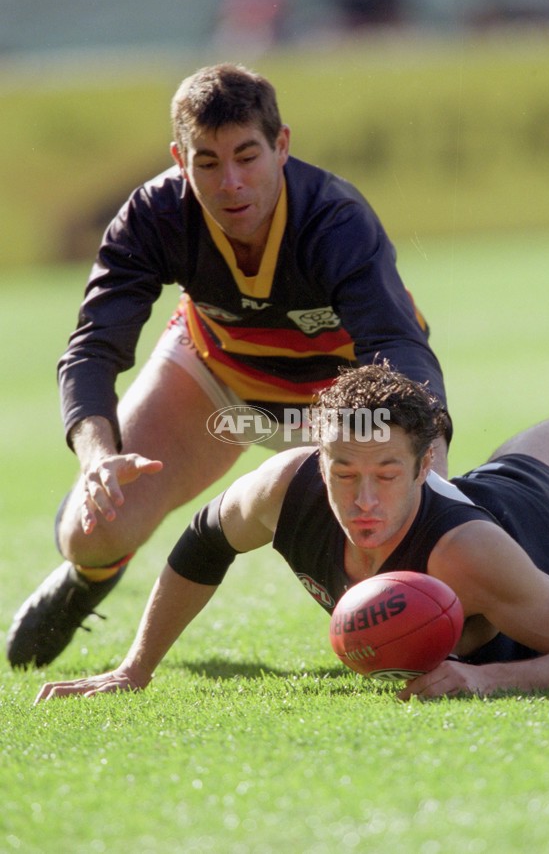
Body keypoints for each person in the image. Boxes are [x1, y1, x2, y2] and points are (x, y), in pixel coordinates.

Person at [7, 64, 450, 669]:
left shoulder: (334, 217)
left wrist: (432, 465)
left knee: (413, 551)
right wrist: (96, 460)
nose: (231, 183)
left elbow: (397, 349)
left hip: (341, 407)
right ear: (179, 159)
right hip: (217, 380)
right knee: (91, 531)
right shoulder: (155, 213)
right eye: (207, 163)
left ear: (282, 146)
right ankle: (91, 576)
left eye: (247, 156)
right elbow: (91, 348)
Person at [35, 363, 549, 703]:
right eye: (344, 473)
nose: (364, 500)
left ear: (424, 465)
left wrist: (492, 680)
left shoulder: (466, 554)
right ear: (319, 459)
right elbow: (204, 542)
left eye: (387, 473)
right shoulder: (287, 487)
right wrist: (136, 668)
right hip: (513, 485)